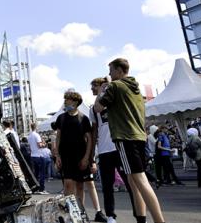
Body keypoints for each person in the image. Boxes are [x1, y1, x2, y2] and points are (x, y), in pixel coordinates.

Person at [94, 58, 166, 223]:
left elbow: (98, 108)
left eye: (111, 70)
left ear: (119, 70)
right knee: (134, 181)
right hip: (139, 136)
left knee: (139, 180)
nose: (109, 75)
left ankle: (159, 220)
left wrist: (101, 92)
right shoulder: (135, 90)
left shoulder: (115, 86)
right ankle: (141, 219)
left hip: (125, 137)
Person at [90, 77, 135, 223]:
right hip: (104, 151)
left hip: (119, 147)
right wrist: (92, 153)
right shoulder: (94, 108)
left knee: (130, 183)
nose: (92, 89)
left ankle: (139, 214)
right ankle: (110, 216)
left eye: (94, 86)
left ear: (102, 86)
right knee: (107, 185)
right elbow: (95, 131)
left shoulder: (114, 99)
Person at [54, 90, 93, 214]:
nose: (65, 102)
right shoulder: (61, 118)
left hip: (80, 156)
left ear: (75, 102)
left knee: (80, 185)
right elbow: (58, 137)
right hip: (65, 157)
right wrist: (57, 156)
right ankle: (69, 211)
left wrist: (87, 157)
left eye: (67, 99)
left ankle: (80, 211)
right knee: (68, 184)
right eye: (65, 99)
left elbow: (90, 139)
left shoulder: (84, 118)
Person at [27, 122, 48, 194]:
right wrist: (44, 144)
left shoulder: (29, 136)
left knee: (36, 173)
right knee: (42, 173)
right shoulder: (37, 135)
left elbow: (30, 147)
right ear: (36, 127)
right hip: (39, 156)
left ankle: (36, 188)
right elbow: (39, 145)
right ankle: (42, 189)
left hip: (33, 156)